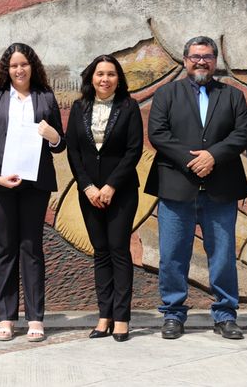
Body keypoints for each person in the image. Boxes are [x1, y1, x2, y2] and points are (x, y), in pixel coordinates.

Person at [145, 36, 247, 340]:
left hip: (220, 188)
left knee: (221, 254)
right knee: (172, 255)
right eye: (195, 56)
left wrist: (213, 156)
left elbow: (243, 133)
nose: (201, 61)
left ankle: (225, 314)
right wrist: (191, 160)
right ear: (184, 60)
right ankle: (173, 314)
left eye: (207, 56)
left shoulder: (232, 95)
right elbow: (158, 133)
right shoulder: (167, 93)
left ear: (215, 61)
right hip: (176, 186)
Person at [0, 43, 65, 343]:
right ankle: (6, 317)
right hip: (1, 187)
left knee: (32, 248)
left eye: (24, 64)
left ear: (32, 66)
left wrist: (54, 138)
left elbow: (60, 142)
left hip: (35, 185)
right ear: (6, 69)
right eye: (13, 65)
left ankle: (36, 317)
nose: (19, 69)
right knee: (6, 249)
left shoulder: (46, 98)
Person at [65, 55, 143, 342]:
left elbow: (133, 150)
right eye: (100, 74)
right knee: (100, 253)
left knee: (118, 251)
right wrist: (87, 187)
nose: (105, 79)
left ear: (118, 79)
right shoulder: (79, 107)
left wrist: (110, 186)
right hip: (88, 194)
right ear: (92, 78)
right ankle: (104, 315)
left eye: (111, 74)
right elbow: (73, 151)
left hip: (120, 192)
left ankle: (121, 318)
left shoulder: (129, 107)